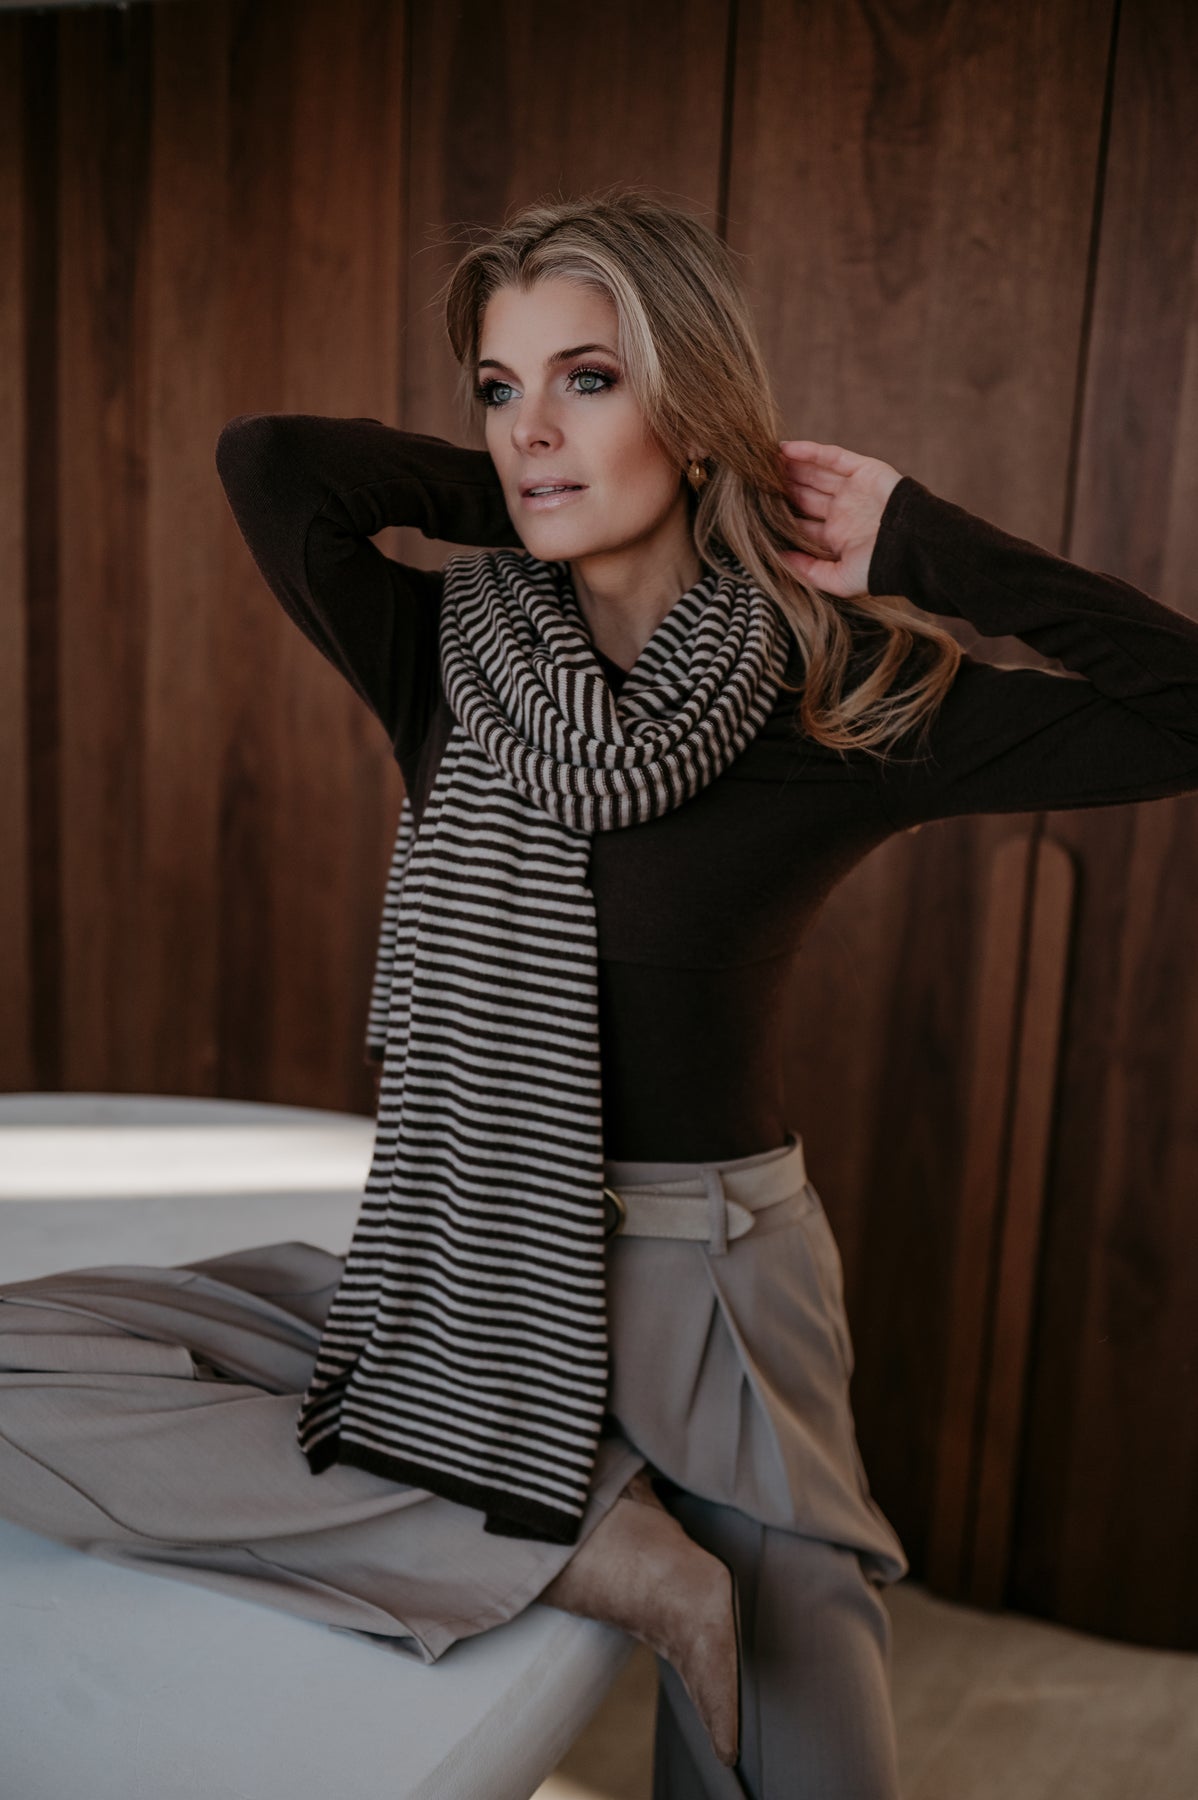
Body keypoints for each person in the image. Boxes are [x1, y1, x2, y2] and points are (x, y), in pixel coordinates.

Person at [2, 187, 1197, 1800]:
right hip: (462, 1263)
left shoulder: (837, 692)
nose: (529, 429)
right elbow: (273, 464)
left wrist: (918, 539)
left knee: (790, 1774)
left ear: (692, 407)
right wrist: (556, 497)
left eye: (589, 379)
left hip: (709, 1297)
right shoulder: (447, 654)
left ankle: (592, 1541)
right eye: (501, 390)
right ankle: (582, 1550)